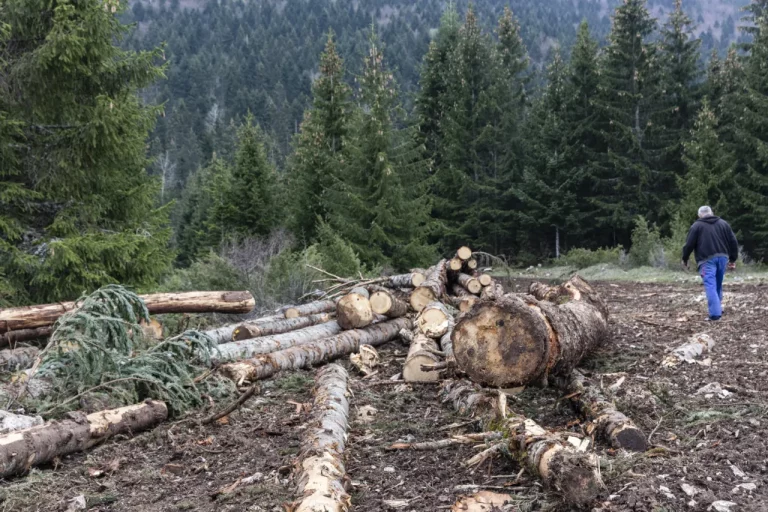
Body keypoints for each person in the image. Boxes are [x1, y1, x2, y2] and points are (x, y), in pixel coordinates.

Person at [681, 206, 739, 321]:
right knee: (717, 284)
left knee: (711, 286)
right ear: (711, 213)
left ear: (699, 215)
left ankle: (715, 315)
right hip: (722, 257)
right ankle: (717, 308)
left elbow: (689, 245)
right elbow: (733, 241)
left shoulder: (696, 226)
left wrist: (685, 258)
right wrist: (732, 259)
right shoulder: (723, 224)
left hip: (706, 260)